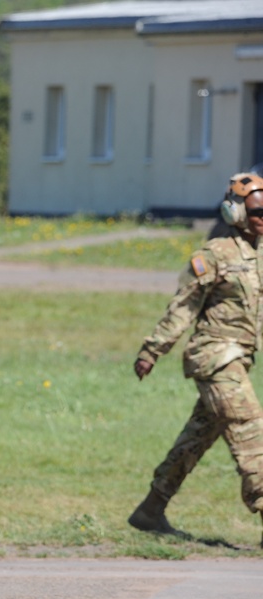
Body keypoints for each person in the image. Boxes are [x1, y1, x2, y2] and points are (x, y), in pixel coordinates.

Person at [130, 172, 263, 547]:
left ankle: (151, 509)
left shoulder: (257, 254)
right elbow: (183, 307)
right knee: (253, 435)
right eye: (257, 212)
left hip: (239, 359)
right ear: (234, 211)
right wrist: (152, 350)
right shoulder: (215, 254)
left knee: (197, 437)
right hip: (216, 359)